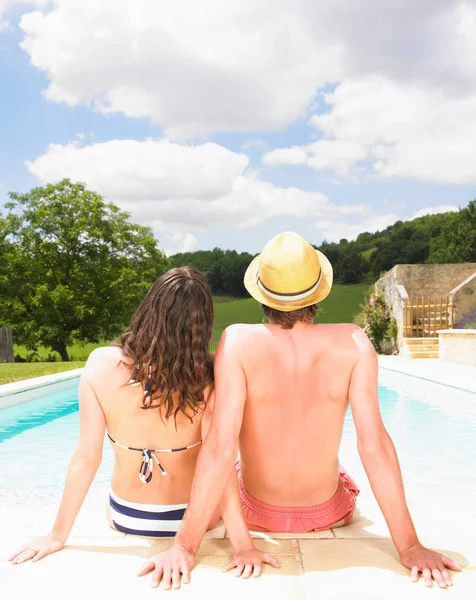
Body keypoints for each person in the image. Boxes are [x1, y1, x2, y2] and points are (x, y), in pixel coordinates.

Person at [143, 232, 461, 590]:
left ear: (262, 293)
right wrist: (410, 546)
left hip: (255, 513)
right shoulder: (355, 342)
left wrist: (184, 546)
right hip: (329, 513)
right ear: (317, 291)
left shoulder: (237, 342)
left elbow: (219, 446)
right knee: (334, 464)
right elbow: (374, 445)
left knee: (229, 458)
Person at [9, 267, 275, 581]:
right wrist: (242, 545)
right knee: (235, 464)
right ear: (203, 323)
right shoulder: (212, 375)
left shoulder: (100, 365)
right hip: (194, 520)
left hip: (127, 515)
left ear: (148, 309)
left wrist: (57, 535)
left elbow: (86, 457)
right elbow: (219, 465)